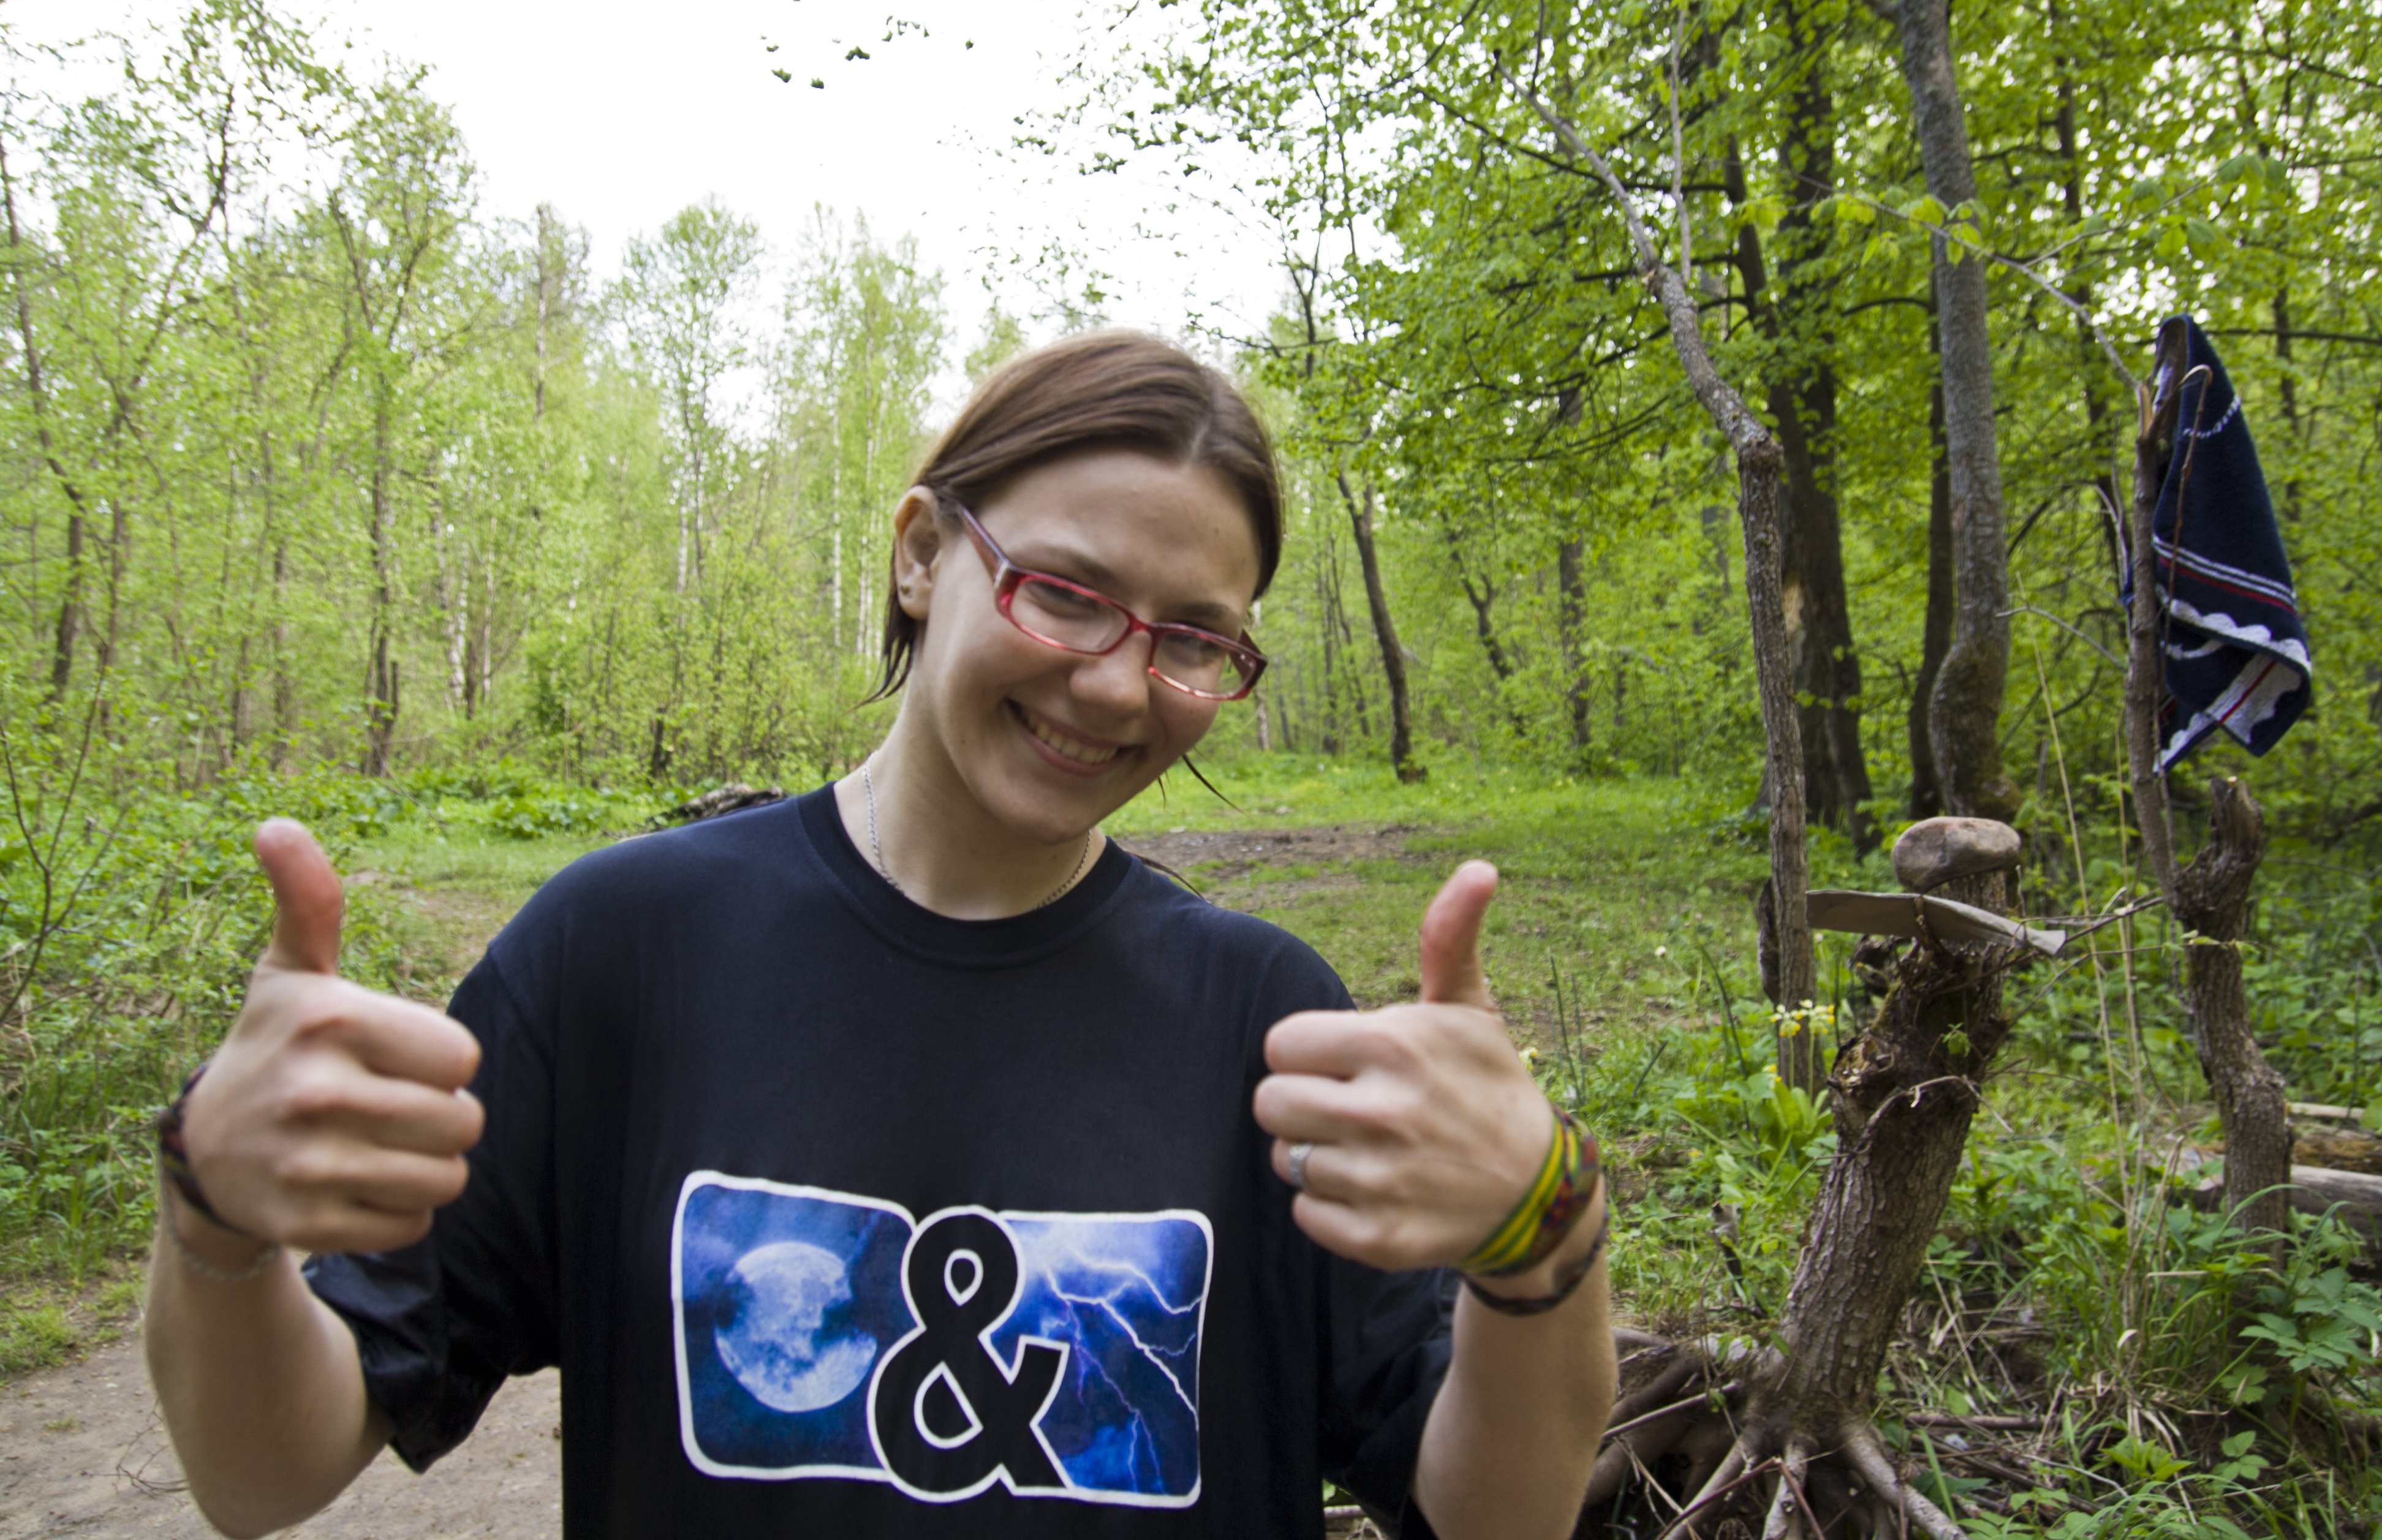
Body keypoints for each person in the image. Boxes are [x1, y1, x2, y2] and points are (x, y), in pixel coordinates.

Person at [143, 331, 1616, 1539]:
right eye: (1067, 595)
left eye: (1190, 639)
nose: (1119, 685)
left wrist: (1542, 1228)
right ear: (923, 555)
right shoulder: (623, 955)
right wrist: (216, 1221)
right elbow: (261, 1476)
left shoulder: (1264, 1023)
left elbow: (1497, 1518)